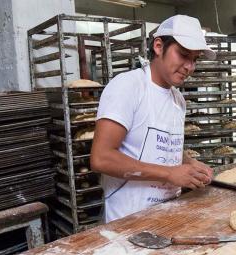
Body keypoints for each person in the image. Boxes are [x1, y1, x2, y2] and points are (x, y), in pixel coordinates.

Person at [91, 15, 215, 223]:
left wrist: (189, 164)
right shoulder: (128, 87)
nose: (190, 67)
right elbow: (101, 158)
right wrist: (169, 174)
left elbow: (161, 146)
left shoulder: (178, 100)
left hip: (167, 216)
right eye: (183, 55)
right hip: (127, 221)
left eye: (195, 59)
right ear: (159, 46)